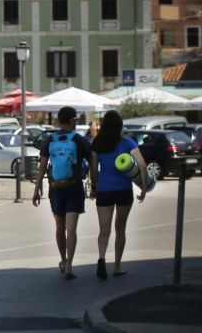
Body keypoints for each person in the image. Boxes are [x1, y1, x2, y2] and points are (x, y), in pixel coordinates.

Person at [32, 106, 92, 280]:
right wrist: (94, 181)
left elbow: (42, 167)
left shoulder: (49, 140)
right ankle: (70, 267)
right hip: (74, 188)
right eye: (75, 120)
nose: (76, 122)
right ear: (71, 121)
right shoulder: (79, 140)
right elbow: (92, 157)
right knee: (71, 229)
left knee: (60, 226)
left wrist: (36, 190)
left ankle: (63, 260)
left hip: (56, 189)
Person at [89, 110, 147, 279]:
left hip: (104, 190)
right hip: (124, 190)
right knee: (120, 229)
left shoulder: (96, 143)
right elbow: (142, 166)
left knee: (104, 230)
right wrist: (143, 188)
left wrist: (94, 187)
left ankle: (101, 258)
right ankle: (117, 266)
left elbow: (93, 170)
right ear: (120, 126)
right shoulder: (128, 143)